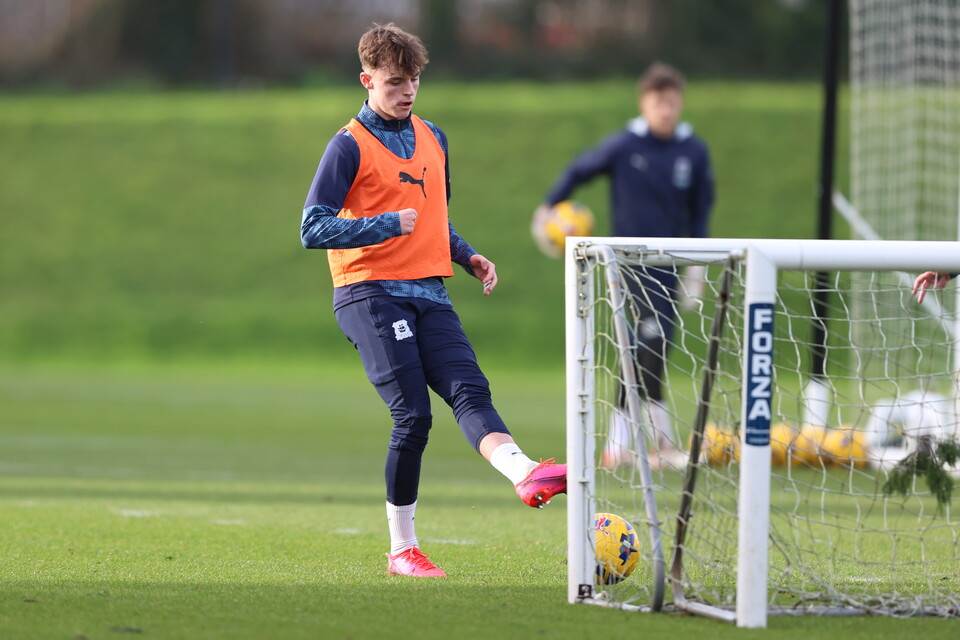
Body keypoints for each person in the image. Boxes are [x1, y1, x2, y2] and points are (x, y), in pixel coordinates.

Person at [301, 23, 566, 578]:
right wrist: (381, 225)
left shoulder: (434, 138)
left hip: (430, 290)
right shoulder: (347, 145)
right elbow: (313, 226)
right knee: (413, 416)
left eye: (415, 79)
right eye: (395, 81)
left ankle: (524, 474)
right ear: (366, 79)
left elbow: (434, 221)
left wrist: (468, 256)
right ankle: (402, 551)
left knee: (470, 390)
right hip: (368, 292)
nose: (408, 90)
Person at [536, 62, 715, 469]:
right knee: (644, 344)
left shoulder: (693, 151)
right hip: (629, 266)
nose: (665, 110)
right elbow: (578, 171)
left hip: (670, 266)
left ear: (680, 104)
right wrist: (547, 208)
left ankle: (647, 442)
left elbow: (700, 213)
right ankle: (631, 442)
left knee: (655, 347)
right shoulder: (624, 145)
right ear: (644, 104)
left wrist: (697, 268)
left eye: (671, 102)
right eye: (658, 103)